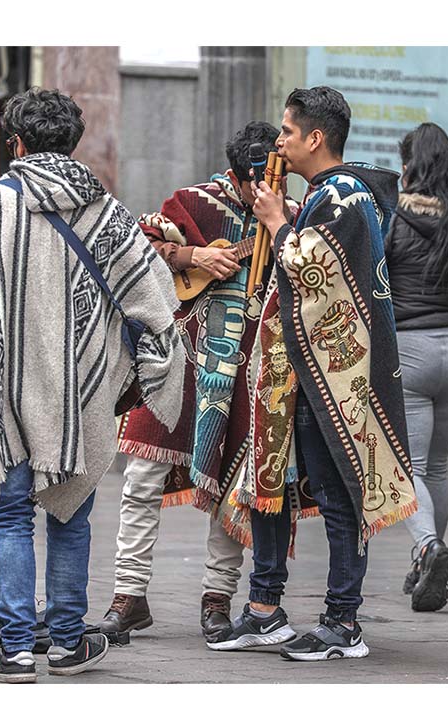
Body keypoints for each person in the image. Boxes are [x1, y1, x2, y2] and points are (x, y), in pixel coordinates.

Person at [0, 87, 185, 682]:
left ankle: (15, 651)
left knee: (10, 518)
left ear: (15, 142)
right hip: (81, 395)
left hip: (4, 389)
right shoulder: (107, 211)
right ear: (73, 143)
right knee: (72, 517)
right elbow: (155, 300)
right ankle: (68, 645)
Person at [207, 86, 417, 661]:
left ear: (315, 138)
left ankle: (343, 622)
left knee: (338, 494)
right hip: (303, 373)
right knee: (274, 487)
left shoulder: (345, 195)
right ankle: (264, 608)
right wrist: (288, 219)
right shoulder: (330, 196)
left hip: (338, 379)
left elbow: (310, 272)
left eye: (288, 132)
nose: (279, 142)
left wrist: (276, 223)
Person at [107, 122, 299, 645]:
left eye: (275, 183)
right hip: (178, 367)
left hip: (246, 377)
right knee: (141, 478)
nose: (267, 192)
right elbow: (136, 247)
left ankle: (217, 598)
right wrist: (193, 256)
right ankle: (128, 596)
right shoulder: (192, 203)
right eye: (255, 183)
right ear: (236, 176)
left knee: (231, 487)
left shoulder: (291, 218)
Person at [387, 123, 448, 612]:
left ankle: (429, 547)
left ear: (408, 166)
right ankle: (426, 562)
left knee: (408, 466)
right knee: (437, 465)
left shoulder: (392, 217)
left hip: (410, 352)